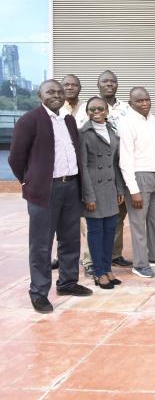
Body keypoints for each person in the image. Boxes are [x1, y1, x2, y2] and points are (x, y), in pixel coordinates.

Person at [9, 80, 92, 313]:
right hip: (45, 191)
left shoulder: (68, 120)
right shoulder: (30, 120)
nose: (56, 95)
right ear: (40, 95)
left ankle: (67, 282)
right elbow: (16, 158)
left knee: (70, 239)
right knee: (41, 245)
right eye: (50, 92)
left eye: (59, 91)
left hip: (70, 188)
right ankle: (39, 292)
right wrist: (29, 181)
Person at [119, 87, 155, 278]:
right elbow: (125, 160)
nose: (144, 103)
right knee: (138, 223)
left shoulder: (154, 121)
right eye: (139, 101)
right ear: (130, 102)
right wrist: (133, 190)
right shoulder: (126, 123)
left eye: (147, 99)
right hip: (138, 178)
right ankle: (140, 264)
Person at [79, 96, 125, 289]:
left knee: (109, 232)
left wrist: (119, 188)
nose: (96, 112)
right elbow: (83, 167)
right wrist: (88, 195)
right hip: (93, 189)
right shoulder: (83, 133)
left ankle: (107, 269)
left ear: (107, 111)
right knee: (96, 232)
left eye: (100, 109)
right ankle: (98, 272)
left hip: (110, 188)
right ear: (87, 112)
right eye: (92, 109)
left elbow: (115, 163)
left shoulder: (112, 132)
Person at [97, 70, 132, 267]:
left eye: (112, 81)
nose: (109, 84)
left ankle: (115, 254)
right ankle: (94, 258)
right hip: (102, 170)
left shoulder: (127, 108)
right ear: (98, 85)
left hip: (124, 167)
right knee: (97, 216)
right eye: (105, 81)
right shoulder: (91, 107)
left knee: (120, 214)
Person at [60, 74, 93, 276]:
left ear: (80, 88)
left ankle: (89, 260)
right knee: (61, 220)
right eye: (66, 85)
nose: (70, 87)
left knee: (86, 220)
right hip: (61, 173)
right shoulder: (55, 109)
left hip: (83, 171)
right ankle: (62, 258)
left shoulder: (87, 110)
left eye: (74, 85)